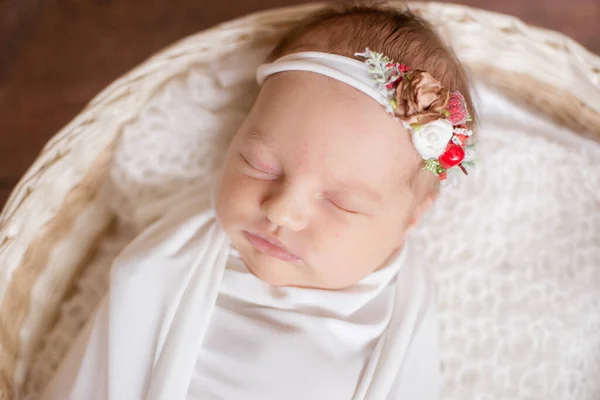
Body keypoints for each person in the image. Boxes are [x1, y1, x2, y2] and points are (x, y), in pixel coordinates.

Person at [40, 4, 476, 399]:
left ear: (412, 218)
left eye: (341, 203)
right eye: (259, 165)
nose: (281, 210)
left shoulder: (401, 316)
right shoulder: (173, 262)